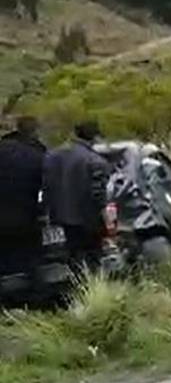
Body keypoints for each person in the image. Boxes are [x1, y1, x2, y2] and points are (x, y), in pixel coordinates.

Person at [43, 120, 110, 269]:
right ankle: (90, 288)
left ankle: (76, 284)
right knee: (92, 258)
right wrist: (105, 216)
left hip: (62, 217)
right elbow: (98, 195)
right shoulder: (95, 160)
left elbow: (47, 185)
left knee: (73, 255)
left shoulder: (53, 156)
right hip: (88, 219)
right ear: (94, 137)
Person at [0, 116, 47, 277]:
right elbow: (46, 186)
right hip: (27, 215)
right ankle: (32, 292)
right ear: (35, 132)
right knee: (30, 260)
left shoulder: (3, 149)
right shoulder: (37, 154)